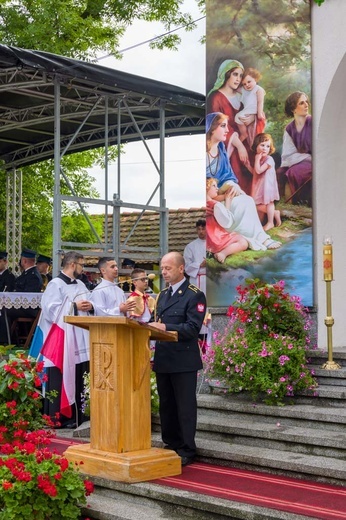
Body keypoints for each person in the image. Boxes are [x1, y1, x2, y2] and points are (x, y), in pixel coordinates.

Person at [150, 252, 206, 466]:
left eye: (168, 268)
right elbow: (155, 321)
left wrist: (165, 327)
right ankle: (170, 443)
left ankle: (186, 448)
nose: (163, 272)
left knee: (184, 406)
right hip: (164, 357)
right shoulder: (162, 294)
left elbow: (192, 328)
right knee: (167, 405)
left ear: (181, 268)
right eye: (162, 268)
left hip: (183, 360)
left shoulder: (194, 295)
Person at [206, 112, 281, 250]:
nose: (227, 130)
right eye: (223, 126)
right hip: (209, 197)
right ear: (211, 128)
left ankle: (261, 238)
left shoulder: (220, 148)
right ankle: (256, 238)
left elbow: (227, 174)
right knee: (242, 203)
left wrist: (233, 186)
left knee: (247, 200)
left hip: (220, 190)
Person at [37, 251, 95, 428]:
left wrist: (91, 306)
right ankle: (58, 417)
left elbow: (90, 301)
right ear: (72, 265)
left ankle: (77, 416)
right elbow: (50, 310)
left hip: (80, 339)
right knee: (59, 377)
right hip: (62, 340)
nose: (82, 269)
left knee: (79, 375)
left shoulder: (80, 284)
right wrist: (74, 306)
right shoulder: (56, 284)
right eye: (81, 265)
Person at [207, 59, 265, 193]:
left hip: (247, 140)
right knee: (237, 163)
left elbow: (258, 113)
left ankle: (259, 202)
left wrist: (253, 117)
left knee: (256, 159)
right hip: (228, 144)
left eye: (240, 75)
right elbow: (216, 126)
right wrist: (239, 146)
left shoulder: (243, 94)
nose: (238, 79)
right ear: (226, 74)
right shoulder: (216, 97)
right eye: (235, 74)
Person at [278, 91, 312, 205]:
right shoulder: (289, 129)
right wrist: (306, 157)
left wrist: (309, 157)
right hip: (303, 160)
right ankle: (280, 205)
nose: (306, 105)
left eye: (306, 102)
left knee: (293, 172)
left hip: (315, 161)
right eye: (302, 103)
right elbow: (288, 155)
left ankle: (291, 204)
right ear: (293, 109)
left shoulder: (313, 122)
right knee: (279, 172)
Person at [206, 179, 248, 263]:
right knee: (243, 242)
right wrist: (228, 201)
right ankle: (222, 253)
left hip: (208, 240)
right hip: (216, 238)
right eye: (214, 186)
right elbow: (227, 222)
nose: (217, 189)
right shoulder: (215, 204)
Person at [251, 133, 281, 231]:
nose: (265, 148)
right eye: (262, 145)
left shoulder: (269, 159)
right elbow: (255, 171)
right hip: (260, 185)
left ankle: (270, 222)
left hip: (268, 186)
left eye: (267, 146)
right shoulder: (259, 159)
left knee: (269, 203)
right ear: (256, 146)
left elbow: (259, 170)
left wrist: (256, 159)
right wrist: (248, 164)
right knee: (256, 204)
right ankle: (274, 213)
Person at [234, 68, 266, 145]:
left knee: (238, 116)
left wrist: (259, 113)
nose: (247, 85)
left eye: (249, 82)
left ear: (255, 79)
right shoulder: (243, 90)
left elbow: (260, 102)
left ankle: (244, 134)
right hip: (247, 111)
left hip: (254, 111)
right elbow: (235, 89)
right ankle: (244, 133)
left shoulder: (258, 89)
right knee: (238, 117)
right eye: (244, 84)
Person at [183, 219, 207, 294]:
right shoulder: (190, 247)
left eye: (203, 229)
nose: (201, 231)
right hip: (197, 279)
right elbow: (186, 266)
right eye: (199, 229)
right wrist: (200, 265)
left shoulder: (214, 244)